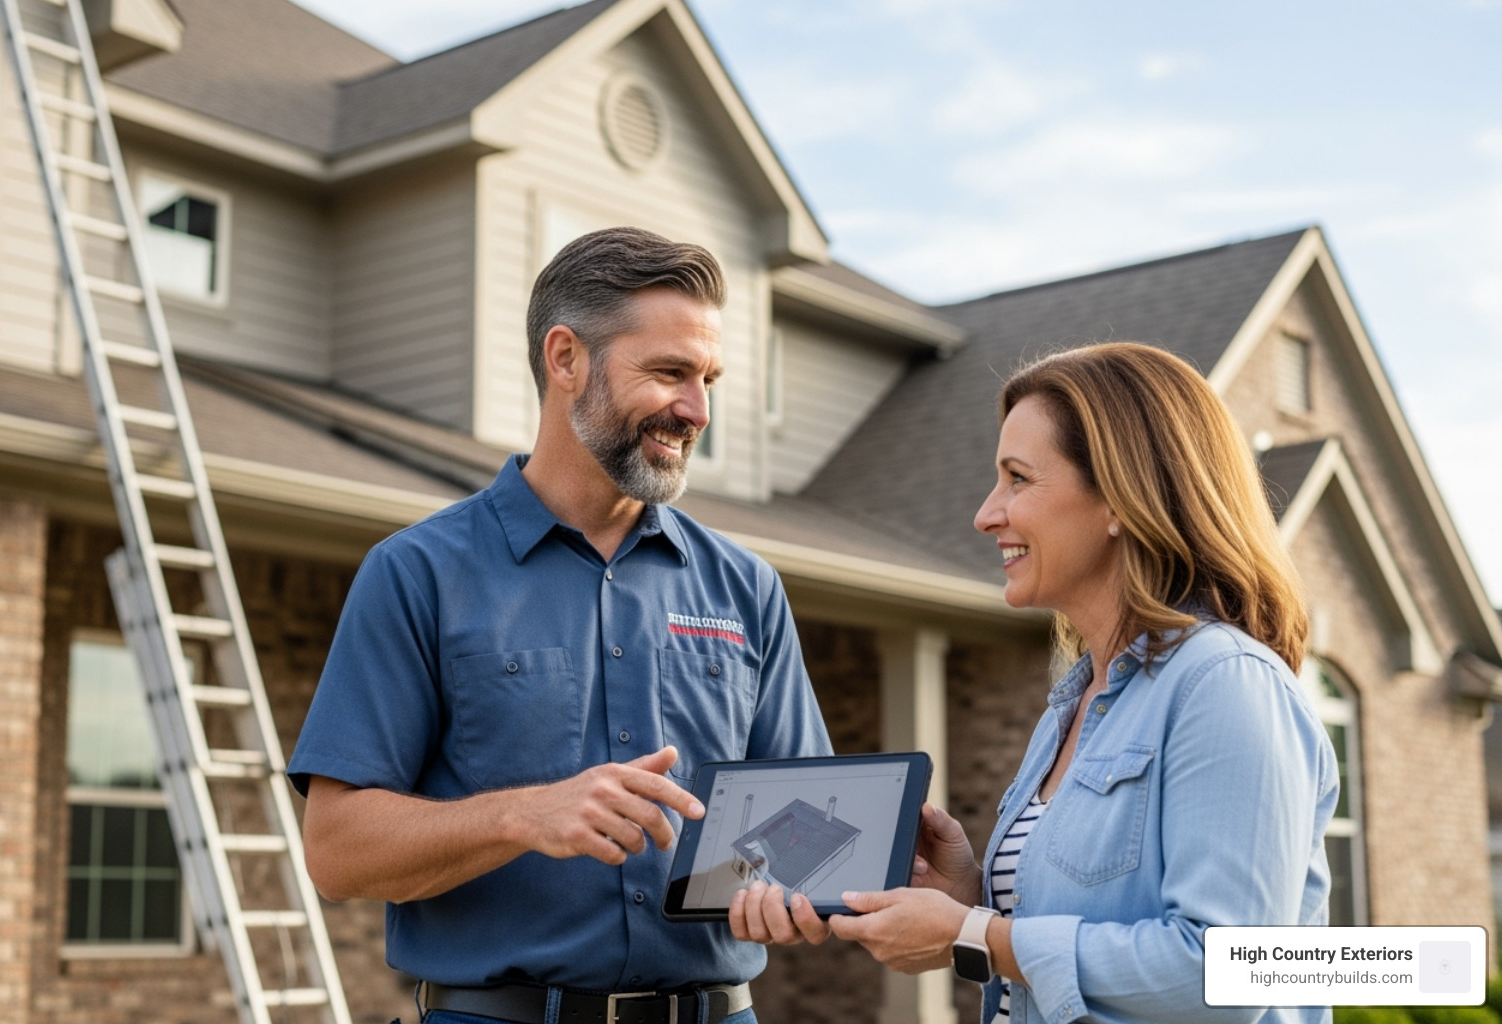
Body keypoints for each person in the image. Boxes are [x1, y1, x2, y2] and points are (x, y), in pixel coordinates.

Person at [289, 226, 832, 1024]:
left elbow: (803, 835)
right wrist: (524, 815)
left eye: (709, 378)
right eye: (670, 373)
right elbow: (335, 852)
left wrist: (782, 888)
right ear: (566, 358)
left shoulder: (746, 588)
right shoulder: (418, 574)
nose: (697, 409)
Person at [731, 342, 1338, 1024]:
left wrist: (975, 934)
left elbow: (1224, 972)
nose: (986, 514)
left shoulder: (1224, 685)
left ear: (1120, 497)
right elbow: (1071, 946)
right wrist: (971, 902)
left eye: (1018, 478)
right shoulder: (1072, 707)